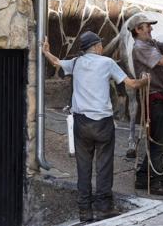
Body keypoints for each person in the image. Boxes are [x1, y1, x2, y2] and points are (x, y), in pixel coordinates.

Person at [42, 31, 148, 222]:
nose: (101, 47)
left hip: (81, 123)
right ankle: (104, 208)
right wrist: (145, 80)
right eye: (100, 44)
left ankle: (85, 212)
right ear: (97, 46)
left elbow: (56, 62)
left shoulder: (75, 63)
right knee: (104, 167)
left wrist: (46, 52)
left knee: (83, 168)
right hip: (102, 123)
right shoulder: (107, 63)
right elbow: (131, 84)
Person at [129, 13, 163, 197]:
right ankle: (157, 182)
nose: (151, 28)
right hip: (152, 97)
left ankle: (143, 176)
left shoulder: (150, 43)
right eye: (147, 26)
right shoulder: (140, 47)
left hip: (159, 95)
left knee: (159, 139)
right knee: (160, 140)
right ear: (138, 29)